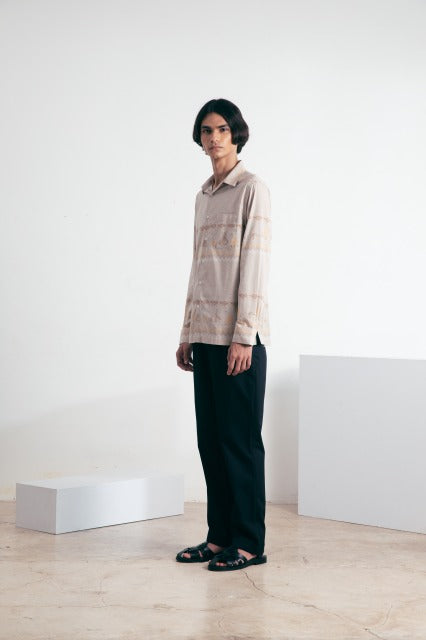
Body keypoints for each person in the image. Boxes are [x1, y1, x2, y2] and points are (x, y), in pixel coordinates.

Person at [175, 98, 271, 572]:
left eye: (221, 130)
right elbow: (199, 267)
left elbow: (254, 265)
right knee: (211, 442)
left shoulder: (252, 190)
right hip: (205, 336)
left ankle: (249, 543)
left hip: (238, 340)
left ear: (236, 135)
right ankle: (219, 538)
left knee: (240, 444)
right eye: (206, 131)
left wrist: (244, 336)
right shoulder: (204, 196)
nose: (213, 138)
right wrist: (187, 331)